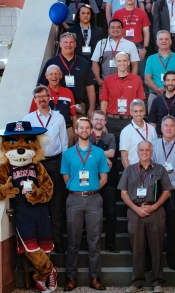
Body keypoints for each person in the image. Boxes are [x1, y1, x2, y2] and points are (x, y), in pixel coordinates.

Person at [117, 141, 172, 293]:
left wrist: (154, 207)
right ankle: (137, 282)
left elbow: (167, 191)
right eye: (141, 150)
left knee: (157, 247)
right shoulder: (129, 170)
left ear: (151, 151)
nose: (144, 152)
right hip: (135, 212)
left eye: (147, 150)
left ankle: (157, 282)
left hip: (155, 211)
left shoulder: (160, 169)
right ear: (137, 151)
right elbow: (123, 193)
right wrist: (136, 209)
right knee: (137, 248)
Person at [61, 118, 108, 292]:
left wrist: (92, 189)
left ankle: (95, 278)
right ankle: (71, 278)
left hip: (94, 199)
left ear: (90, 131)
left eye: (87, 128)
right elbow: (66, 178)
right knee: (73, 241)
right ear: (77, 130)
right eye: (81, 127)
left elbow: (104, 177)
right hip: (74, 199)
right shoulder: (68, 154)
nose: (84, 130)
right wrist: (77, 189)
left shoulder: (98, 152)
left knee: (94, 241)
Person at [23, 86, 68, 253]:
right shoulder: (28, 119)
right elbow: (26, 144)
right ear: (34, 100)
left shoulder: (59, 118)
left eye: (44, 96)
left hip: (56, 163)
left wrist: (64, 167)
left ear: (50, 97)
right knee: (40, 204)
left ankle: (58, 242)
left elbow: (64, 143)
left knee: (57, 205)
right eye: (38, 97)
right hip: (37, 165)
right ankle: (43, 243)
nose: (41, 99)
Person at [151, 116, 175, 271]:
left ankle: (174, 261)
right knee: (156, 228)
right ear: (161, 129)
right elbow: (150, 167)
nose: (168, 128)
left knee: (174, 228)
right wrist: (162, 184)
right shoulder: (153, 146)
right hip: (157, 191)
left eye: (171, 126)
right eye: (165, 126)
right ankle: (155, 262)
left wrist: (173, 185)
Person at [38, 32, 97, 119]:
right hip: (55, 107)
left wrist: (91, 108)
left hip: (78, 108)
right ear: (60, 44)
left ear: (75, 44)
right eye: (65, 42)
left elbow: (90, 87)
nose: (68, 45)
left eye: (71, 42)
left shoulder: (84, 63)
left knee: (78, 132)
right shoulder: (51, 63)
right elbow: (43, 86)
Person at [89, 111, 119, 253]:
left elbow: (112, 153)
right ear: (91, 120)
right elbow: (84, 153)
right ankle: (91, 245)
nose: (99, 121)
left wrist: (94, 153)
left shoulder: (110, 136)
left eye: (101, 119)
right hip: (90, 179)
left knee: (111, 212)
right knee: (90, 213)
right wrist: (104, 158)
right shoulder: (86, 136)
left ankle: (111, 244)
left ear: (105, 121)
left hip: (109, 181)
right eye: (96, 119)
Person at [99, 52, 145, 141]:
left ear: (128, 62)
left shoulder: (137, 79)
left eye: (124, 61)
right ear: (115, 63)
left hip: (130, 120)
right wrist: (103, 123)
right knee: (113, 151)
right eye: (119, 61)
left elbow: (141, 103)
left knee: (130, 150)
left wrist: (139, 121)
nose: (122, 63)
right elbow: (104, 102)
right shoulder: (108, 80)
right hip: (111, 121)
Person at [30, 65, 76, 146]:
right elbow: (32, 116)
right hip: (46, 132)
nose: (54, 76)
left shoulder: (68, 92)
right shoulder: (40, 94)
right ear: (46, 76)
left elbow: (74, 115)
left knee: (66, 157)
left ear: (61, 75)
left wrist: (75, 134)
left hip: (67, 129)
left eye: (56, 74)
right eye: (51, 74)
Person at [144, 31, 175, 109]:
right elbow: (147, 79)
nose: (164, 41)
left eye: (166, 39)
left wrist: (166, 90)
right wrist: (158, 90)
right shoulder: (151, 59)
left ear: (170, 41)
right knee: (153, 121)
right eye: (161, 39)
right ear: (157, 42)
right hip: (155, 96)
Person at [112, 0, 151, 70]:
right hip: (121, 48)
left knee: (139, 76)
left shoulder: (142, 13)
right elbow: (113, 32)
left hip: (138, 48)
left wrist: (144, 48)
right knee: (122, 73)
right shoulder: (117, 13)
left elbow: (146, 32)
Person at [148, 70, 175, 137]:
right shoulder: (156, 101)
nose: (170, 83)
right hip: (160, 139)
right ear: (164, 82)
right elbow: (152, 123)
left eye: (173, 80)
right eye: (168, 80)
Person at [119, 99, 158, 168]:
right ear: (131, 113)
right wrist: (130, 174)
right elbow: (124, 156)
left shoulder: (151, 129)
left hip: (151, 169)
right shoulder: (126, 131)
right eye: (135, 111)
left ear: (144, 112)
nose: (138, 114)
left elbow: (155, 150)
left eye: (141, 111)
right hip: (134, 170)